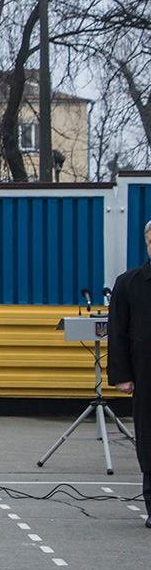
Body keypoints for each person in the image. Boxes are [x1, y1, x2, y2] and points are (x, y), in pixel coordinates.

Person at [106, 218, 151, 528]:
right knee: (148, 440)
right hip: (146, 374)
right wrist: (122, 375)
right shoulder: (129, 283)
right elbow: (117, 332)